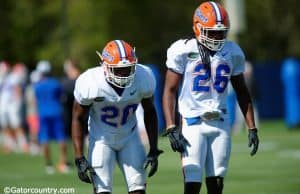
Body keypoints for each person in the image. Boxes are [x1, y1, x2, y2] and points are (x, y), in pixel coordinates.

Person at [162, 2, 259, 194]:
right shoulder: (183, 50)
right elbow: (169, 90)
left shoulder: (233, 52)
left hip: (221, 122)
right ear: (198, 28)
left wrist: (252, 127)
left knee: (217, 185)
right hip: (192, 122)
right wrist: (171, 126)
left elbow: (242, 91)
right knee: (192, 183)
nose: (217, 36)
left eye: (221, 32)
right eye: (212, 32)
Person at [72, 40, 163, 194]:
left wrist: (153, 148)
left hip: (130, 137)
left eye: (128, 68)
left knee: (138, 189)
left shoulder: (143, 76)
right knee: (102, 190)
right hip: (101, 139)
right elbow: (78, 118)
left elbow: (150, 111)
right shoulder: (91, 82)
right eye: (119, 70)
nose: (125, 74)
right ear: (105, 67)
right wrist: (79, 156)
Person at [33, 60, 69, 174]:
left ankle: (49, 164)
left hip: (43, 113)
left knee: (44, 139)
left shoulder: (37, 85)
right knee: (61, 137)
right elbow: (61, 97)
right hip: (56, 112)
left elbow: (37, 100)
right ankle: (63, 163)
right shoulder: (56, 83)